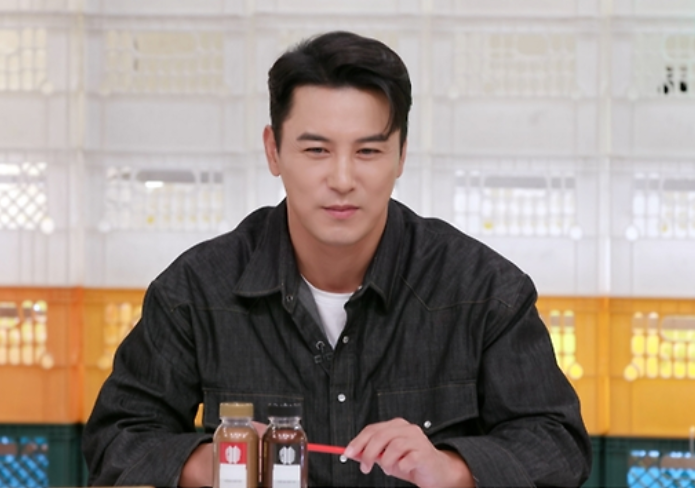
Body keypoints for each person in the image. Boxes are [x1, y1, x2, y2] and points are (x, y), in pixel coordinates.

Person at [82, 31, 591, 487]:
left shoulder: (484, 290)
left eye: (368, 151)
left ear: (401, 155)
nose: (343, 179)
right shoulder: (195, 290)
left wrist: (452, 470)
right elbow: (116, 437)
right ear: (274, 151)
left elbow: (558, 444)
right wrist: (213, 463)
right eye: (317, 151)